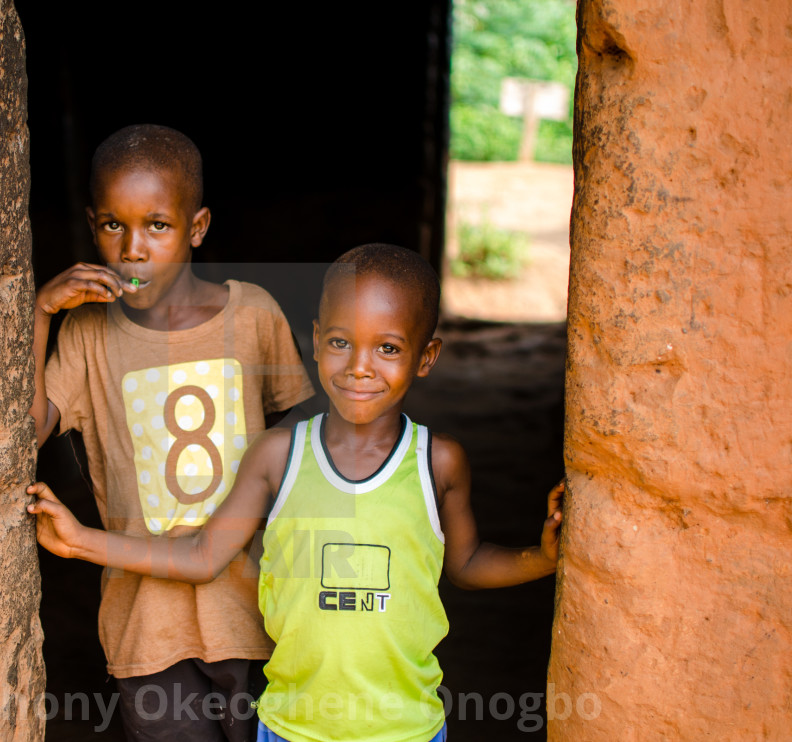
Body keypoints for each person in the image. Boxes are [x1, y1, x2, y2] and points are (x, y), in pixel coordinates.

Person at [29, 243, 564, 742]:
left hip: (409, 729)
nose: (359, 366)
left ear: (426, 357)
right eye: (340, 342)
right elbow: (202, 555)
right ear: (314, 341)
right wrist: (81, 542)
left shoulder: (438, 461)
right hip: (290, 728)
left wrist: (541, 558)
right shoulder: (276, 456)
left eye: (387, 348)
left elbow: (465, 563)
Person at [30, 124, 315, 742]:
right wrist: (40, 313)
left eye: (157, 225)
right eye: (113, 225)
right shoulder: (86, 336)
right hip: (146, 625)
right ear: (92, 225)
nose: (133, 248)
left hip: (259, 612)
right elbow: (26, 434)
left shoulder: (254, 314)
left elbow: (300, 446)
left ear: (198, 226)